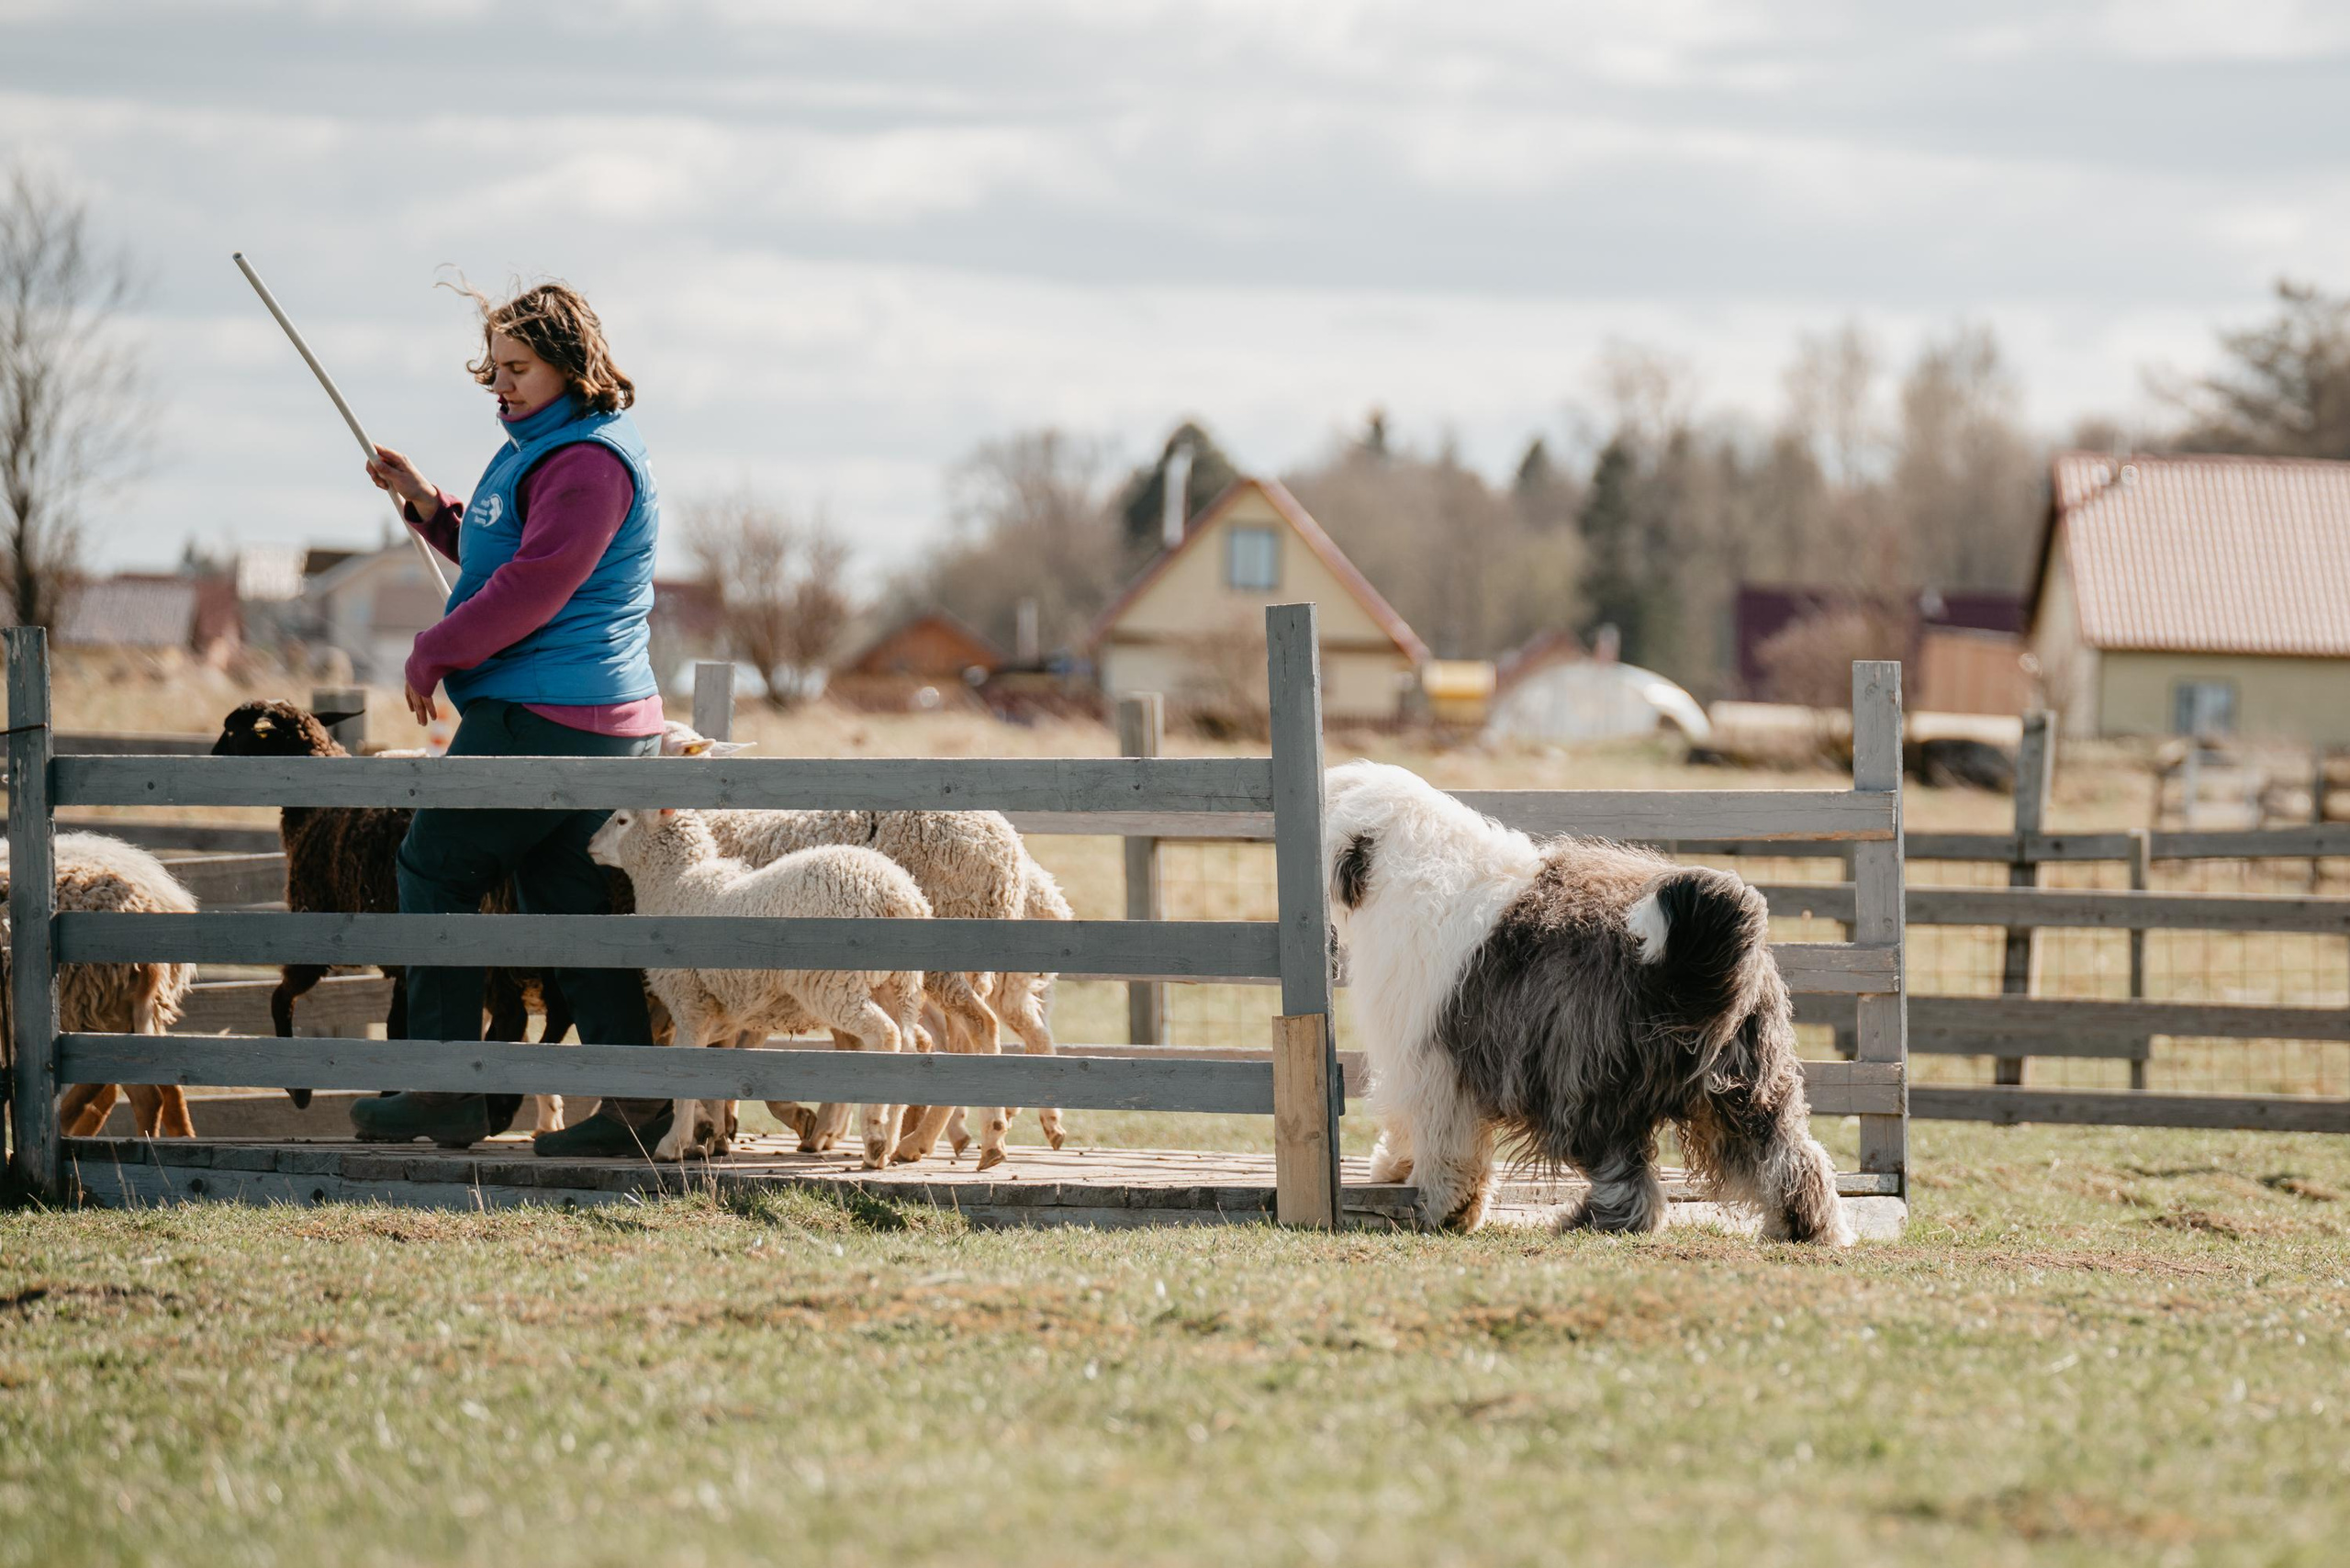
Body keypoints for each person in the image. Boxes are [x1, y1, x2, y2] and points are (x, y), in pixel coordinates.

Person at [350, 281, 672, 1158]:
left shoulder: (589, 462)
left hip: (548, 713)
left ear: (572, 362)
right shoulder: (552, 450)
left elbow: (538, 585)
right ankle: (637, 1113)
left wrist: (435, 649)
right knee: (564, 907)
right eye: (492, 368)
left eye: (519, 367)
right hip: (588, 719)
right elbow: (511, 550)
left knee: (433, 865)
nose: (502, 383)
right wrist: (432, 509)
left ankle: (446, 1089)